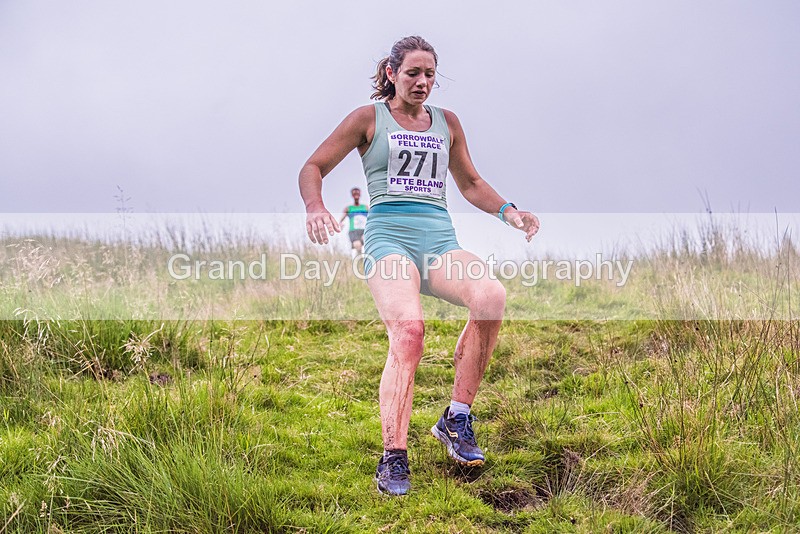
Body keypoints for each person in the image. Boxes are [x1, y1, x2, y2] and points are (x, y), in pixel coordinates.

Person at [299, 35, 540, 496]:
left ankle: (457, 418)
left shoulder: (447, 123)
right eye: (413, 73)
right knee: (409, 333)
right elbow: (313, 165)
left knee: (491, 296)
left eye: (430, 74)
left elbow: (470, 182)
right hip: (389, 240)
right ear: (391, 73)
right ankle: (393, 457)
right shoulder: (368, 119)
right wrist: (315, 205)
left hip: (438, 241)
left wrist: (510, 212)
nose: (422, 82)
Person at [339, 187, 369, 257]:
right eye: (354, 193)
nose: (356, 195)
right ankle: (359, 260)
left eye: (357, 193)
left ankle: (366, 259)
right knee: (357, 245)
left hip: (364, 230)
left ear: (360, 194)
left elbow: (371, 216)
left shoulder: (365, 207)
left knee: (365, 244)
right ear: (352, 195)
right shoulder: (349, 208)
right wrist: (340, 224)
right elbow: (342, 218)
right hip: (353, 231)